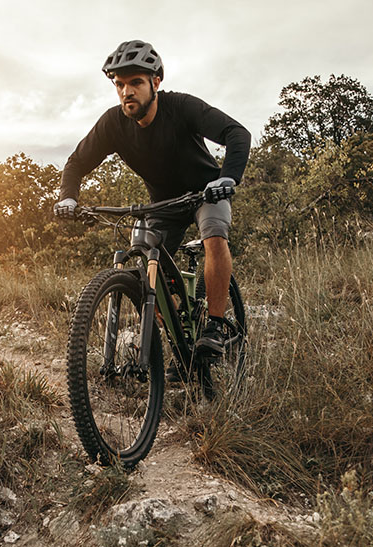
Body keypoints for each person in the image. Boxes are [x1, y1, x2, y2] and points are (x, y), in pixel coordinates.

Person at [55, 39, 251, 359]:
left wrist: (227, 178)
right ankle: (183, 347)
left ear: (155, 82)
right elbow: (76, 163)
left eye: (135, 82)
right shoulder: (113, 123)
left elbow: (237, 133)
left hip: (205, 192)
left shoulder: (181, 107)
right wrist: (68, 198)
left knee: (214, 235)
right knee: (149, 277)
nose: (126, 91)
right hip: (163, 205)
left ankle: (214, 326)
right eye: (119, 85)